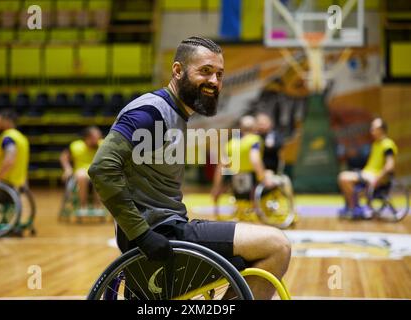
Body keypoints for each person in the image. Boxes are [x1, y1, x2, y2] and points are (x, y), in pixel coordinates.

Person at [88, 36, 291, 300]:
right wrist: (142, 234)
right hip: (161, 237)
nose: (214, 81)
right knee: (277, 246)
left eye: (219, 74)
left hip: (169, 231)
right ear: (177, 70)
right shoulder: (150, 112)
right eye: (205, 71)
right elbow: (102, 168)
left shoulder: (176, 115)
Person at [338, 118, 398, 219]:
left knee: (343, 178)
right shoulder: (375, 144)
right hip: (366, 174)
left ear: (381, 129)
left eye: (374, 128)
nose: (371, 130)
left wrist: (377, 178)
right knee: (343, 178)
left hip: (373, 177)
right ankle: (352, 207)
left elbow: (390, 166)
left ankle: (356, 209)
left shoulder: (387, 144)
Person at [59, 126, 103, 214]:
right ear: (87, 138)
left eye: (99, 137)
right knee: (82, 175)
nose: (98, 140)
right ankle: (82, 206)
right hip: (81, 172)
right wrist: (67, 169)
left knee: (99, 174)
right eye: (95, 138)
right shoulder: (76, 146)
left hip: (97, 172)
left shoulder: (103, 144)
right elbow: (64, 157)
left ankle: (98, 207)